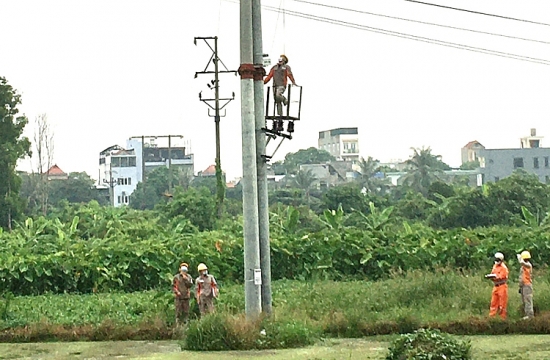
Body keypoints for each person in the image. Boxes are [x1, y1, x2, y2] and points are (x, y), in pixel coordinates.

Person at [485, 252, 509, 320]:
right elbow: (493, 273)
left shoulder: (504, 268)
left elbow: (501, 276)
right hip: (495, 286)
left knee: (502, 304)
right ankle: (491, 317)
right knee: (493, 303)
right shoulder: (495, 266)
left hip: (502, 286)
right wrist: (489, 276)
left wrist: (495, 276)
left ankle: (502, 318)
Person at [517, 251, 534, 319]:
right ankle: (527, 314)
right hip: (523, 285)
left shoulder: (528, 265)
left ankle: (530, 315)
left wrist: (519, 258)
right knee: (524, 300)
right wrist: (520, 286)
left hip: (527, 285)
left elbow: (522, 262)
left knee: (528, 300)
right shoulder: (523, 267)